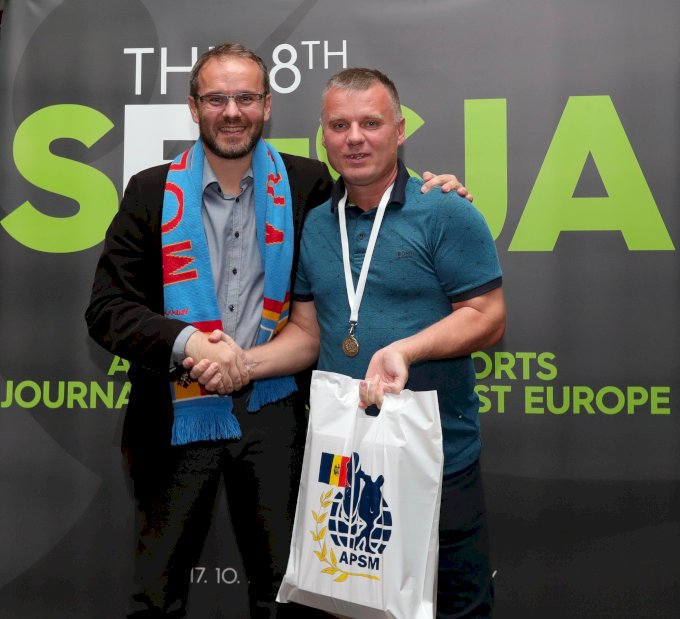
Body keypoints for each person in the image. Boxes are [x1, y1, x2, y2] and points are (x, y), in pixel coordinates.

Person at [85, 43, 468, 619]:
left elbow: (378, 207)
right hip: (174, 411)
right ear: (193, 107)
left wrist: (436, 190)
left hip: (278, 414)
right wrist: (190, 344)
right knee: (157, 597)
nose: (231, 111)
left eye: (246, 98)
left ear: (267, 106)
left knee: (285, 594)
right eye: (216, 98)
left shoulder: (309, 183)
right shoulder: (149, 191)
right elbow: (107, 308)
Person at [189, 67, 506, 618]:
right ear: (324, 136)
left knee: (456, 610)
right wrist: (239, 363)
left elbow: (487, 317)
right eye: (339, 126)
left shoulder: (446, 210)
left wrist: (406, 350)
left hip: (437, 462)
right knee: (346, 611)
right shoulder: (315, 224)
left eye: (370, 123)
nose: (354, 138)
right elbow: (308, 332)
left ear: (399, 131)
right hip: (347, 467)